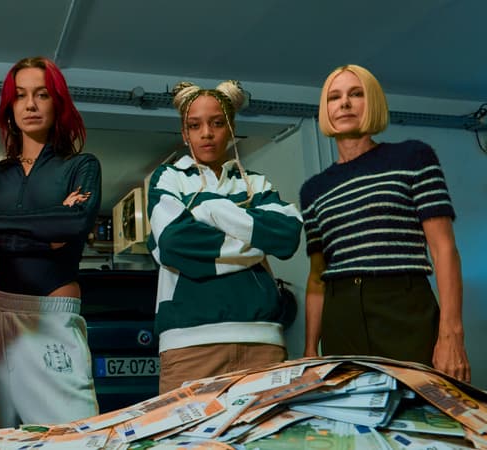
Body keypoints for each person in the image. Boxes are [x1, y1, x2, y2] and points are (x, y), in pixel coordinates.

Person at [0, 56, 101, 436]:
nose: (30, 104)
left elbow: (73, 224)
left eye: (42, 94)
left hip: (49, 315)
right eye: (20, 95)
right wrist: (46, 228)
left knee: (73, 438)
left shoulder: (81, 166)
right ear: (9, 107)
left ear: (58, 103)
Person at [300, 64, 471, 382]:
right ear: (325, 109)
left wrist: (451, 334)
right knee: (348, 410)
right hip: (340, 318)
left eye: (356, 94)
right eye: (334, 97)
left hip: (403, 308)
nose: (344, 103)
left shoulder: (413, 157)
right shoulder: (313, 190)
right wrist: (311, 349)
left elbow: (444, 249)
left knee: (423, 404)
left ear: (373, 102)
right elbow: (317, 277)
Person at [147, 80, 303, 394]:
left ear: (231, 129)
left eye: (217, 123)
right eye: (195, 125)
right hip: (189, 344)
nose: (206, 133)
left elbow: (287, 235)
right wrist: (254, 245)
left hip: (262, 340)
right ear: (184, 133)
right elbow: (174, 243)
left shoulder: (256, 183)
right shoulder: (168, 178)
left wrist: (211, 211)